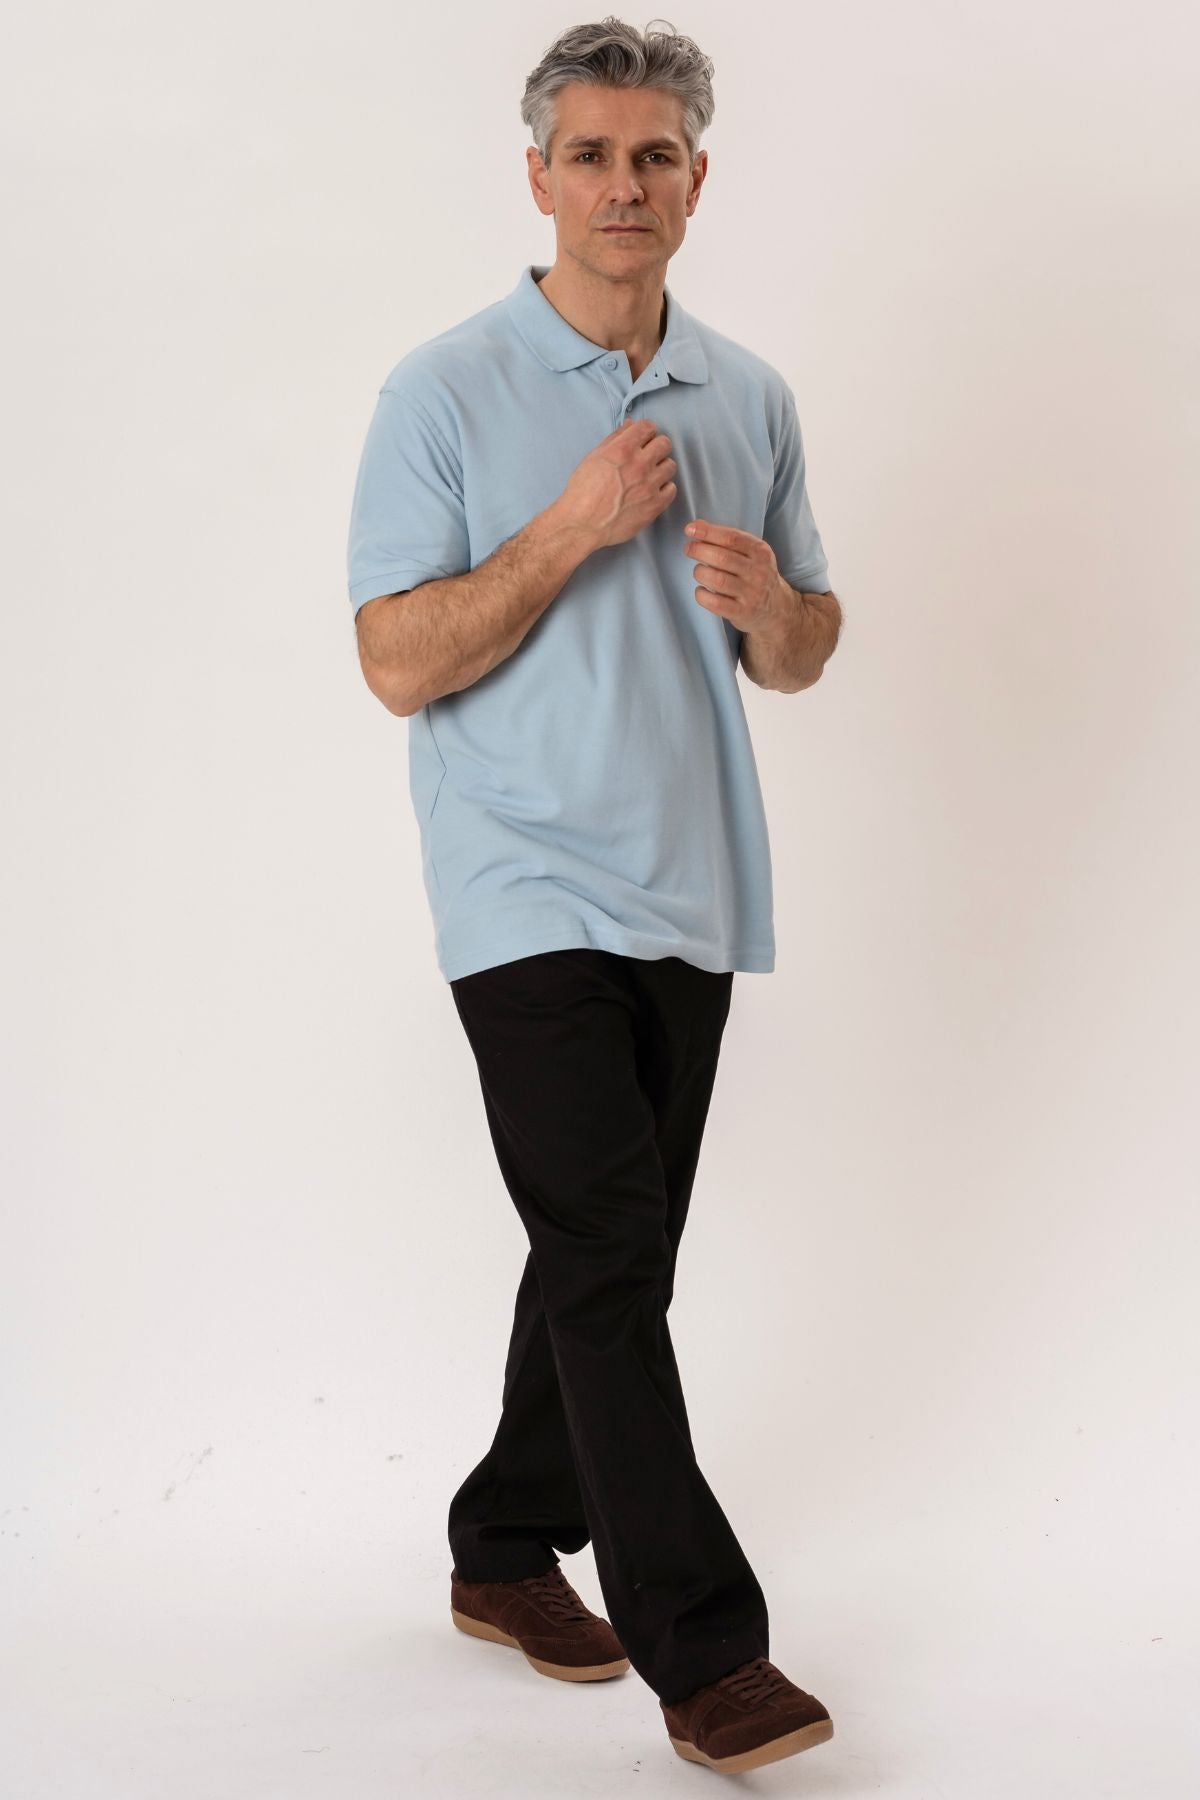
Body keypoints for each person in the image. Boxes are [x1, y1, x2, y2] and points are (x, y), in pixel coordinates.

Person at [345, 17, 842, 1776]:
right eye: (591, 155)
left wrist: (776, 609)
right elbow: (394, 661)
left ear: (696, 183)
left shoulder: (750, 397)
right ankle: (705, 1655)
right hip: (518, 882)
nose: (622, 185)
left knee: (604, 1249)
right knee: (614, 1252)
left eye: (654, 158)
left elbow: (806, 648)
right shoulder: (442, 389)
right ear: (538, 177)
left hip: (691, 886)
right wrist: (568, 527)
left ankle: (502, 1544)